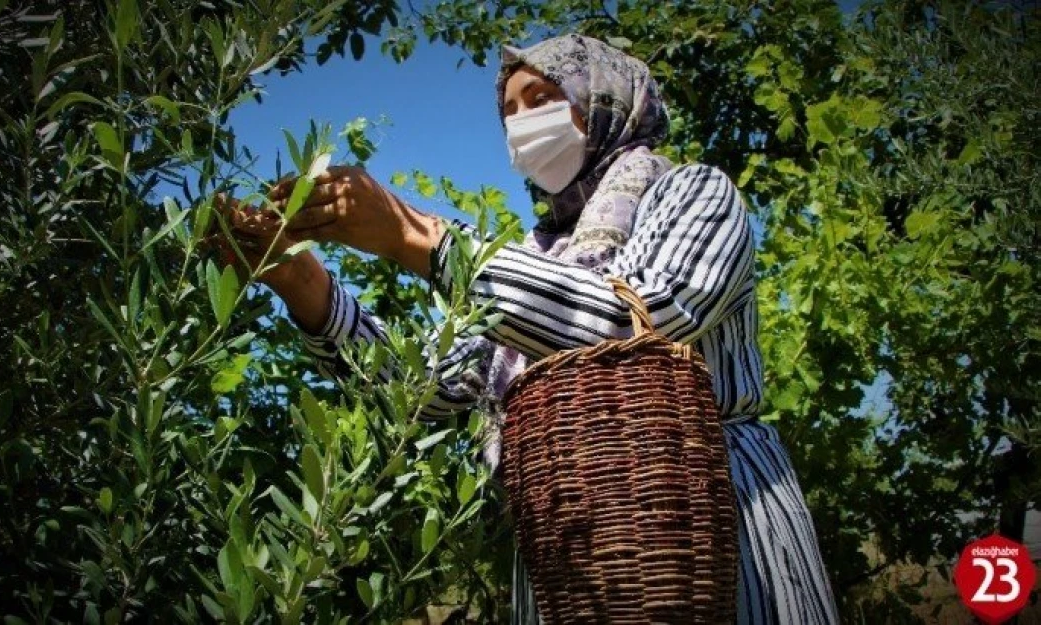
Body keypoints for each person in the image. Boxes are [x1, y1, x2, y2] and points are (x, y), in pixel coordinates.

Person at [218, 34, 839, 625]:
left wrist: (416, 237)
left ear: (605, 99)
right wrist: (302, 285)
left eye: (541, 100)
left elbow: (642, 322)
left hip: (708, 518)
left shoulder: (696, 194)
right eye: (510, 113)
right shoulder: (535, 255)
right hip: (567, 540)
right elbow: (426, 393)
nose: (523, 125)